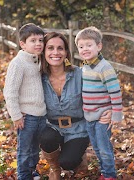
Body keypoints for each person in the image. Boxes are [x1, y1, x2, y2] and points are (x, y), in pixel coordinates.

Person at [39, 32, 111, 179]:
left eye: (60, 48)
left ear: (66, 52)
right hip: (52, 126)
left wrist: (109, 109)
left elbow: (105, 88)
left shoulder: (81, 74)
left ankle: (76, 157)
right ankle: (54, 169)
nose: (55, 52)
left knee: (68, 162)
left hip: (78, 129)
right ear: (44, 52)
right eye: (50, 48)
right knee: (45, 138)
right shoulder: (38, 78)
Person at [75, 26, 123, 180]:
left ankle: (110, 175)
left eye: (89, 45)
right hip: (89, 116)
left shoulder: (105, 67)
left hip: (103, 117)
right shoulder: (84, 67)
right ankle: (104, 171)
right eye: (81, 46)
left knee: (103, 147)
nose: (85, 49)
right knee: (96, 147)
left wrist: (116, 115)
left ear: (99, 46)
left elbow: (115, 92)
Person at [3, 23, 47, 180]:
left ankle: (32, 170)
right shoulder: (18, 63)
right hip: (26, 117)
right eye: (33, 40)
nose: (38, 44)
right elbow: (10, 92)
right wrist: (16, 115)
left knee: (35, 148)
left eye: (41, 40)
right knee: (25, 149)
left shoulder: (40, 60)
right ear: (22, 44)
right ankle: (23, 175)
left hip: (41, 114)